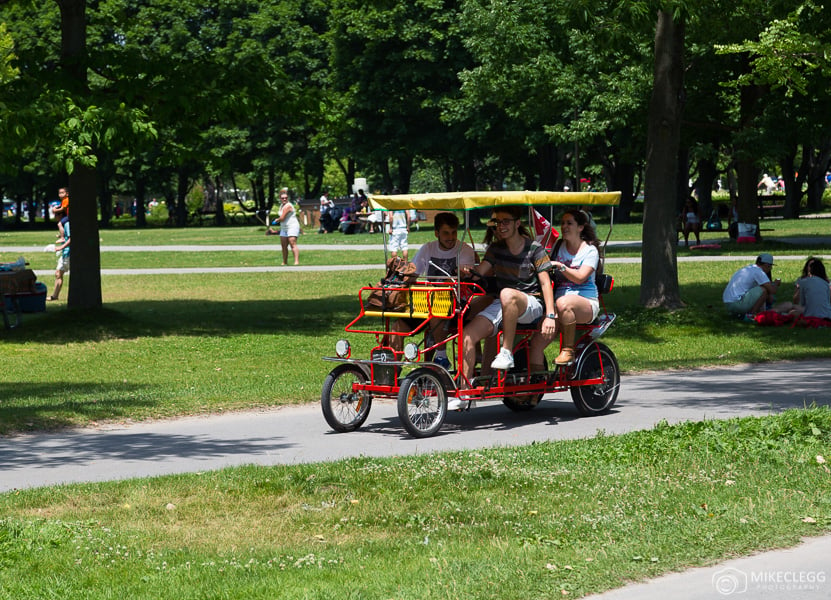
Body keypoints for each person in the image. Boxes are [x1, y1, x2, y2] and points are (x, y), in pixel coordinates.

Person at [458, 206, 556, 398]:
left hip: (532, 304)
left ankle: (507, 351)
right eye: (497, 222)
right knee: (467, 335)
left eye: (505, 221)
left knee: (507, 294)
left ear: (517, 223)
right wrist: (467, 272)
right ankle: (464, 391)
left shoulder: (535, 248)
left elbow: (546, 284)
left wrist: (550, 316)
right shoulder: (496, 248)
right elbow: (480, 273)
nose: (501, 226)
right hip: (503, 303)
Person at [389, 212, 477, 366]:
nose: (451, 237)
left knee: (437, 306)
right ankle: (392, 368)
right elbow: (413, 273)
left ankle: (441, 357)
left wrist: (463, 273)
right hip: (427, 303)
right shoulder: (428, 248)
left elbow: (467, 278)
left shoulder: (465, 250)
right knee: (397, 328)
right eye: (445, 233)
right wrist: (398, 280)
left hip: (458, 305)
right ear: (437, 233)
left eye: (454, 232)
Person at [529, 209, 601, 368]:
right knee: (536, 344)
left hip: (586, 303)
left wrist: (561, 266)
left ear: (580, 227)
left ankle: (568, 350)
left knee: (563, 303)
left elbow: (581, 277)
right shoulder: (558, 246)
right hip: (557, 306)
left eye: (569, 223)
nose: (564, 227)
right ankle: (534, 384)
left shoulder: (590, 250)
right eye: (562, 223)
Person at [272, 189, 300, 265]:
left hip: (292, 226)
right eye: (282, 198)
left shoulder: (288, 206)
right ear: (280, 199)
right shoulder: (281, 206)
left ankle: (296, 262)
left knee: (292, 243)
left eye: (286, 198)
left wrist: (276, 220)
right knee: (284, 246)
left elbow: (282, 218)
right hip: (284, 228)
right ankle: (284, 262)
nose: (284, 199)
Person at [48, 205, 70, 301]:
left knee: (60, 273)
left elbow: (71, 238)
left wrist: (60, 247)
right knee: (58, 273)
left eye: (56, 215)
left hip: (69, 253)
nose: (55, 218)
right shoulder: (64, 224)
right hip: (65, 253)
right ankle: (55, 296)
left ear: (60, 215)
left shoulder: (67, 224)